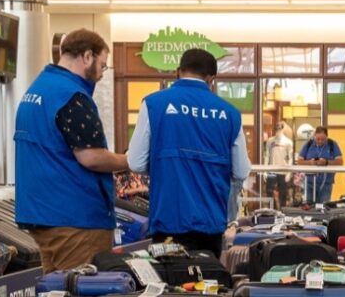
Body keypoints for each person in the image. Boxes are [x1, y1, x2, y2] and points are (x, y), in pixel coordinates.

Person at [14, 28, 128, 272]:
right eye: (102, 65)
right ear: (87, 56)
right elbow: (91, 157)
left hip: (43, 215)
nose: (101, 74)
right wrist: (131, 161)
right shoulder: (71, 95)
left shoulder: (37, 89)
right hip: (76, 220)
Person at [127, 48, 251, 257]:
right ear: (212, 78)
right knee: (209, 282)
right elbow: (240, 171)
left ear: (177, 71)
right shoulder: (230, 113)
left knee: (172, 283)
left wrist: (165, 164)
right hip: (211, 221)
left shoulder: (153, 104)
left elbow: (136, 163)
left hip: (168, 218)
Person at [297, 126, 343, 204]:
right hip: (309, 183)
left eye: (323, 139)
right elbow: (299, 161)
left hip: (326, 184)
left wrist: (326, 162)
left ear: (327, 137)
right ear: (314, 136)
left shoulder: (332, 144)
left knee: (323, 207)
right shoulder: (308, 144)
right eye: (318, 139)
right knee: (309, 207)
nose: (320, 141)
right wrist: (310, 163)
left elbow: (340, 162)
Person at [264, 122, 294, 208]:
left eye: (280, 128)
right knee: (269, 192)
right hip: (272, 170)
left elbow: (290, 157)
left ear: (283, 129)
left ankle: (283, 211)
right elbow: (267, 155)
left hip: (283, 171)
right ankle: (271, 211)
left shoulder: (288, 142)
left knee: (283, 194)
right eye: (277, 128)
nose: (278, 130)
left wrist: (289, 172)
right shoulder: (270, 141)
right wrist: (265, 170)